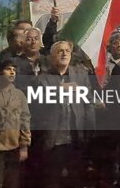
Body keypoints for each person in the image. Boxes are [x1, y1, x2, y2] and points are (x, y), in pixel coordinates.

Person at [31, 41, 95, 188]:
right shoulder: (43, 78)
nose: (65, 53)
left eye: (67, 51)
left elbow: (88, 103)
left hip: (76, 136)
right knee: (53, 180)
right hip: (55, 139)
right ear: (52, 57)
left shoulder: (80, 75)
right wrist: (61, 89)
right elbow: (40, 103)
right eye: (60, 51)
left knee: (76, 179)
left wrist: (90, 129)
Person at [0, 60, 31, 188]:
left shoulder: (19, 94)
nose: (12, 72)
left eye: (14, 70)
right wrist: (10, 108)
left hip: (13, 148)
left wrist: (24, 145)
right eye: (8, 69)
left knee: (12, 183)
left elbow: (25, 120)